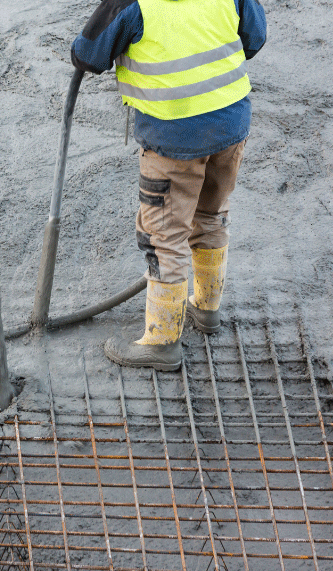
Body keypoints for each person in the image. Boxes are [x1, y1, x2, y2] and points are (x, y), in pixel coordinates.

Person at [70, 0, 267, 370]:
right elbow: (254, 39)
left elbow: (88, 55)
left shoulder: (131, 4)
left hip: (174, 137)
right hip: (231, 124)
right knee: (211, 215)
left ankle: (161, 342)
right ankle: (207, 309)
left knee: (165, 237)